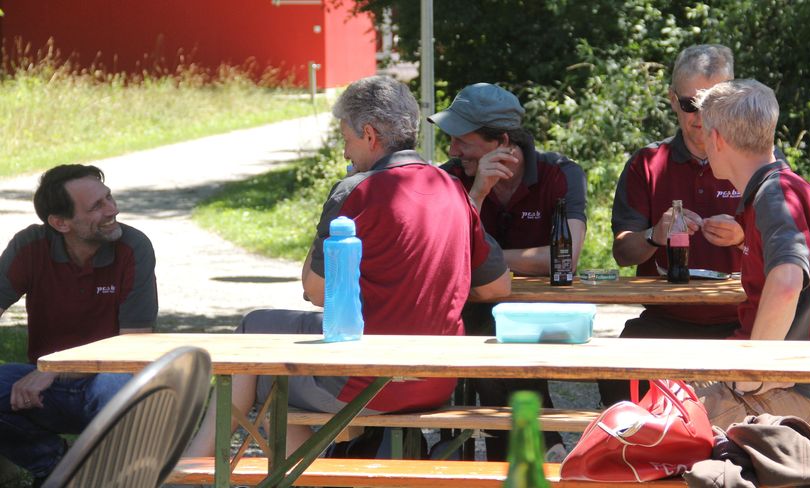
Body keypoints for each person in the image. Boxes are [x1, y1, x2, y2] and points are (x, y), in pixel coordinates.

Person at [184, 76, 511, 456]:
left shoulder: (357, 191)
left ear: (370, 135)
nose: (344, 153)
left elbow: (315, 291)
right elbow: (497, 287)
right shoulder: (453, 188)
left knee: (252, 334)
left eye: (347, 139)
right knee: (279, 401)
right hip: (437, 380)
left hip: (368, 382)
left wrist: (332, 211)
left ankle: (195, 462)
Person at [692, 78, 810, 434]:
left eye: (705, 132)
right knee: (664, 388)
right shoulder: (784, 188)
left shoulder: (774, 196)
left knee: (655, 428)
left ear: (718, 139)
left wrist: (753, 376)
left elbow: (787, 282)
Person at [429, 82, 587, 461]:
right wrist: (477, 195)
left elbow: (563, 260)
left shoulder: (560, 174)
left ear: (501, 141)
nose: (452, 151)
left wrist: (488, 257)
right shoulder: (450, 176)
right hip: (474, 311)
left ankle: (527, 454)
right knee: (490, 340)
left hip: (539, 314)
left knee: (503, 346)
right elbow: (444, 252)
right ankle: (538, 450)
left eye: (461, 141)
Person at [601, 44, 750, 407]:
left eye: (715, 104)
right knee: (614, 375)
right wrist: (655, 235)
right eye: (691, 105)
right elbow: (623, 252)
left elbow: (794, 250)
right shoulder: (648, 163)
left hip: (743, 319)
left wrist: (745, 236)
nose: (703, 116)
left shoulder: (756, 159)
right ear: (672, 100)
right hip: (665, 317)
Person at [0, 164, 158, 485]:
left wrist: (51, 369)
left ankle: (114, 477)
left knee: (117, 385)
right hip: (45, 390)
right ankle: (55, 467)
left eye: (109, 198)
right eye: (96, 206)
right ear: (60, 223)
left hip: (108, 379)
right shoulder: (30, 245)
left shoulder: (134, 246)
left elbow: (134, 344)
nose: (112, 209)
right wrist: (46, 374)